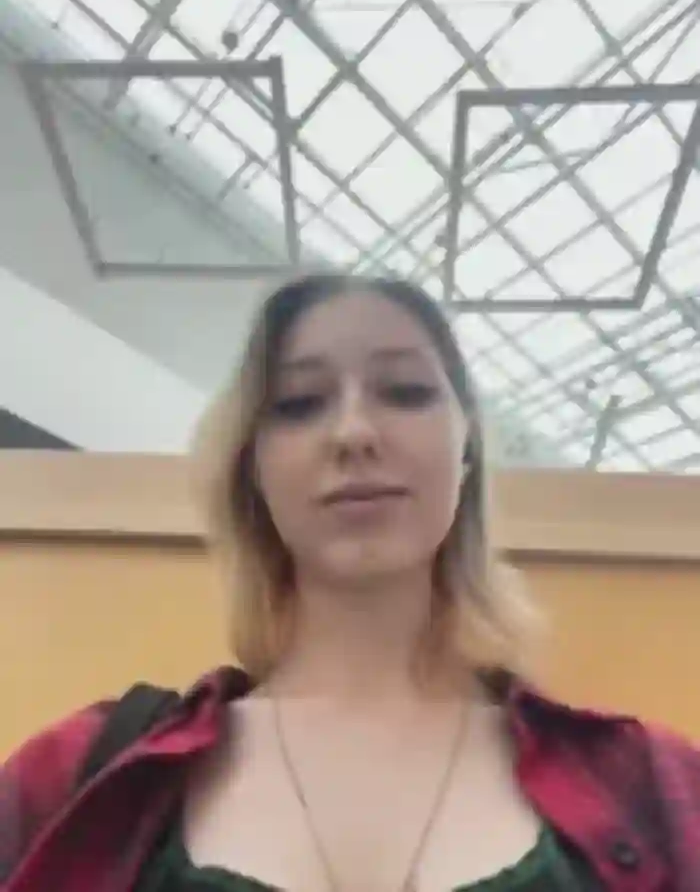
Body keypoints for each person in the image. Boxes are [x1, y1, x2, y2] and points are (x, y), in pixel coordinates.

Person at [2, 272, 700, 892]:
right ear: (253, 468)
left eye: (405, 391)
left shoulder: (659, 791)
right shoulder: (71, 781)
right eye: (299, 402)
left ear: (466, 449)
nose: (353, 432)